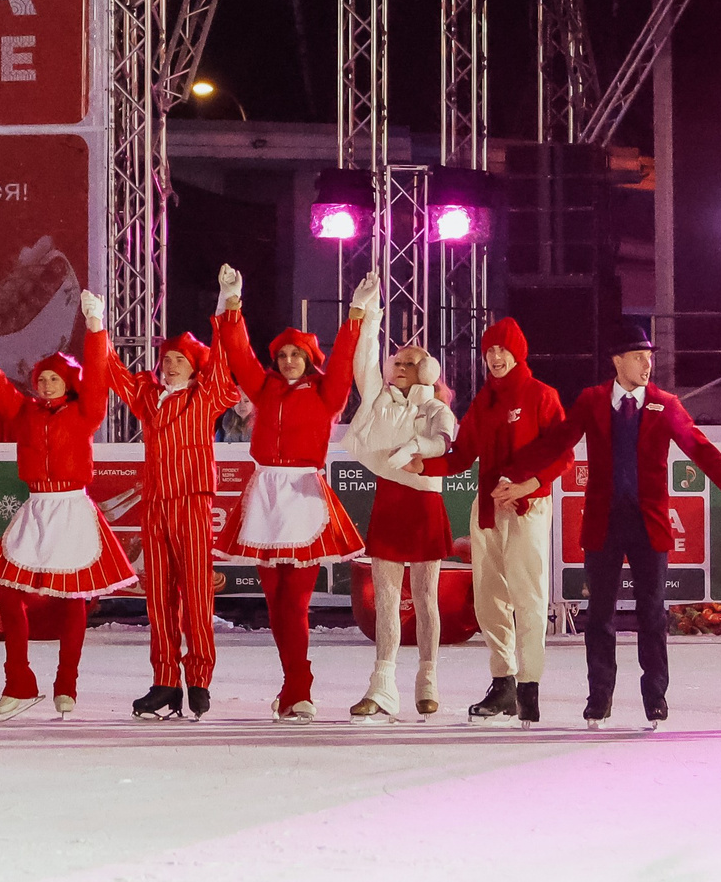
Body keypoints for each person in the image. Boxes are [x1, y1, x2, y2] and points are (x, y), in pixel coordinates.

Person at [476, 319, 721, 730]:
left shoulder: (665, 404)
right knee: (599, 616)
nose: (647, 365)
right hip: (604, 522)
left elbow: (702, 450)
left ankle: (655, 698)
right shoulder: (592, 400)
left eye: (649, 358)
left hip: (650, 525)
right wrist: (514, 474)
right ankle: (599, 700)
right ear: (617, 361)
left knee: (652, 613)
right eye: (638, 357)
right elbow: (556, 442)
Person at [0, 293, 136, 720]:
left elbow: (97, 376)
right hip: (37, 507)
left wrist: (96, 328)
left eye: (54, 379)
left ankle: (66, 684)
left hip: (71, 508)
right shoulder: (23, 411)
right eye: (41, 378)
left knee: (72, 599)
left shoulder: (86, 412)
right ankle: (18, 681)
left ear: (68, 382)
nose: (45, 384)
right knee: (8, 592)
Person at [216, 266, 372, 723]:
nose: (287, 361)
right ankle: (293, 684)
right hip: (266, 494)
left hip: (303, 495)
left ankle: (299, 686)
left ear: (308, 358)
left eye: (295, 354)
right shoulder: (263, 388)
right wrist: (232, 303)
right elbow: (238, 353)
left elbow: (343, 360)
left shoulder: (327, 393)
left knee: (296, 601)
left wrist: (356, 313)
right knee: (274, 600)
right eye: (282, 355)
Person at [403, 316, 569, 727]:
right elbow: (462, 456)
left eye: (502, 349)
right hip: (489, 509)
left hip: (527, 507)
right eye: (489, 350)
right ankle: (504, 683)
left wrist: (528, 485)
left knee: (528, 599)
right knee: (489, 598)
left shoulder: (541, 395)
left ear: (518, 352)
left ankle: (529, 685)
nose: (495, 357)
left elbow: (563, 455)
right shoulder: (485, 401)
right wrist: (425, 465)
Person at [85, 294, 238, 721]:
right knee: (158, 599)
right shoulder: (149, 397)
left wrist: (226, 310)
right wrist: (96, 327)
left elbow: (222, 363)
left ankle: (199, 677)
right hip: (155, 505)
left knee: (196, 594)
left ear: (193, 367)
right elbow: (112, 371)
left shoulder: (204, 397)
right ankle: (166, 680)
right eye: (166, 359)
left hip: (191, 502)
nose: (170, 365)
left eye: (179, 360)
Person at [346, 327, 459, 722]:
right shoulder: (379, 402)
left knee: (426, 597)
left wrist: (416, 449)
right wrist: (368, 315)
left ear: (428, 370)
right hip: (390, 502)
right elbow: (362, 365)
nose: (401, 367)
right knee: (387, 599)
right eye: (397, 361)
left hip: (424, 502)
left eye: (411, 363)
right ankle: (382, 685)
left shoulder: (436, 408)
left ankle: (428, 679)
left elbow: (445, 441)